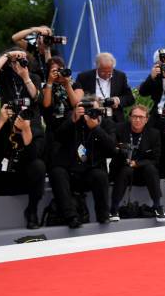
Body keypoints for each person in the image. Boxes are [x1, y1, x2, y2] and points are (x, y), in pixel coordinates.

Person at [49, 97, 116, 228]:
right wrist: (72, 121)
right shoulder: (72, 118)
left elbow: (112, 149)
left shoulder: (106, 123)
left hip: (91, 170)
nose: (90, 113)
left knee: (100, 175)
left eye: (94, 110)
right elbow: (57, 137)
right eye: (87, 110)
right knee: (57, 172)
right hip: (70, 170)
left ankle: (103, 215)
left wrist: (96, 128)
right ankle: (71, 216)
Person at [0, 102, 46, 231]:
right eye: (17, 113)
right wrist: (0, 122)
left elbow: (34, 155)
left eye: (24, 114)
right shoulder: (1, 124)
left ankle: (32, 211)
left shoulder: (36, 130)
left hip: (22, 178)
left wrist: (26, 131)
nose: (20, 117)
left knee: (39, 166)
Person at [110, 105, 165, 222]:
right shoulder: (119, 129)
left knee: (151, 169)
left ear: (146, 119)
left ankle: (157, 206)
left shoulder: (154, 134)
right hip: (122, 170)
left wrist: (137, 163)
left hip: (142, 173)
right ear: (130, 117)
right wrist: (121, 153)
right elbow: (112, 150)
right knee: (126, 170)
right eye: (134, 116)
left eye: (141, 117)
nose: (137, 120)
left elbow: (155, 159)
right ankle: (114, 208)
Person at [41, 56, 83, 168]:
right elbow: (46, 104)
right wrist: (50, 82)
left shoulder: (75, 84)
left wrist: (67, 84)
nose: (59, 73)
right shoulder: (47, 87)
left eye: (61, 69)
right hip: (54, 129)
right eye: (55, 71)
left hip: (70, 126)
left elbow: (76, 104)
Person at [75, 52, 135, 123]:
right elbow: (77, 99)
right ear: (97, 67)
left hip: (113, 117)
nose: (107, 75)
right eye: (103, 72)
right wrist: (92, 100)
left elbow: (130, 98)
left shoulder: (120, 76)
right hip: (91, 115)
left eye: (110, 72)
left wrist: (118, 100)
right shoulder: (83, 77)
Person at [0, 49, 41, 126]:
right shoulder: (5, 77)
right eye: (14, 62)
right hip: (10, 126)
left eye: (21, 61)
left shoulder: (34, 77)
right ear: (9, 64)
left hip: (32, 126)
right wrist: (8, 54)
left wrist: (26, 78)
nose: (18, 64)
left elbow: (38, 98)